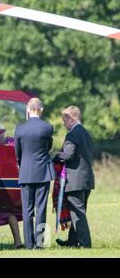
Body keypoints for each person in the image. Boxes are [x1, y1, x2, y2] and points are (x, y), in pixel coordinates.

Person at [14, 98, 54, 249]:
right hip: (43, 172)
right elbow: (48, 147)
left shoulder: (19, 128)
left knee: (27, 210)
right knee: (41, 208)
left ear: (28, 109)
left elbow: (17, 152)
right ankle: (39, 242)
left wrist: (21, 164)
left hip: (25, 172)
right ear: (41, 109)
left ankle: (29, 244)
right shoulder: (47, 127)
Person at [53, 106, 94, 248]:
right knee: (77, 211)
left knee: (77, 213)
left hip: (75, 180)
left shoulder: (72, 134)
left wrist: (56, 156)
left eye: (65, 120)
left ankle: (85, 243)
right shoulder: (85, 133)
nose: (64, 124)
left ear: (71, 118)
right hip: (87, 179)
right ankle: (72, 242)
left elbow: (68, 155)